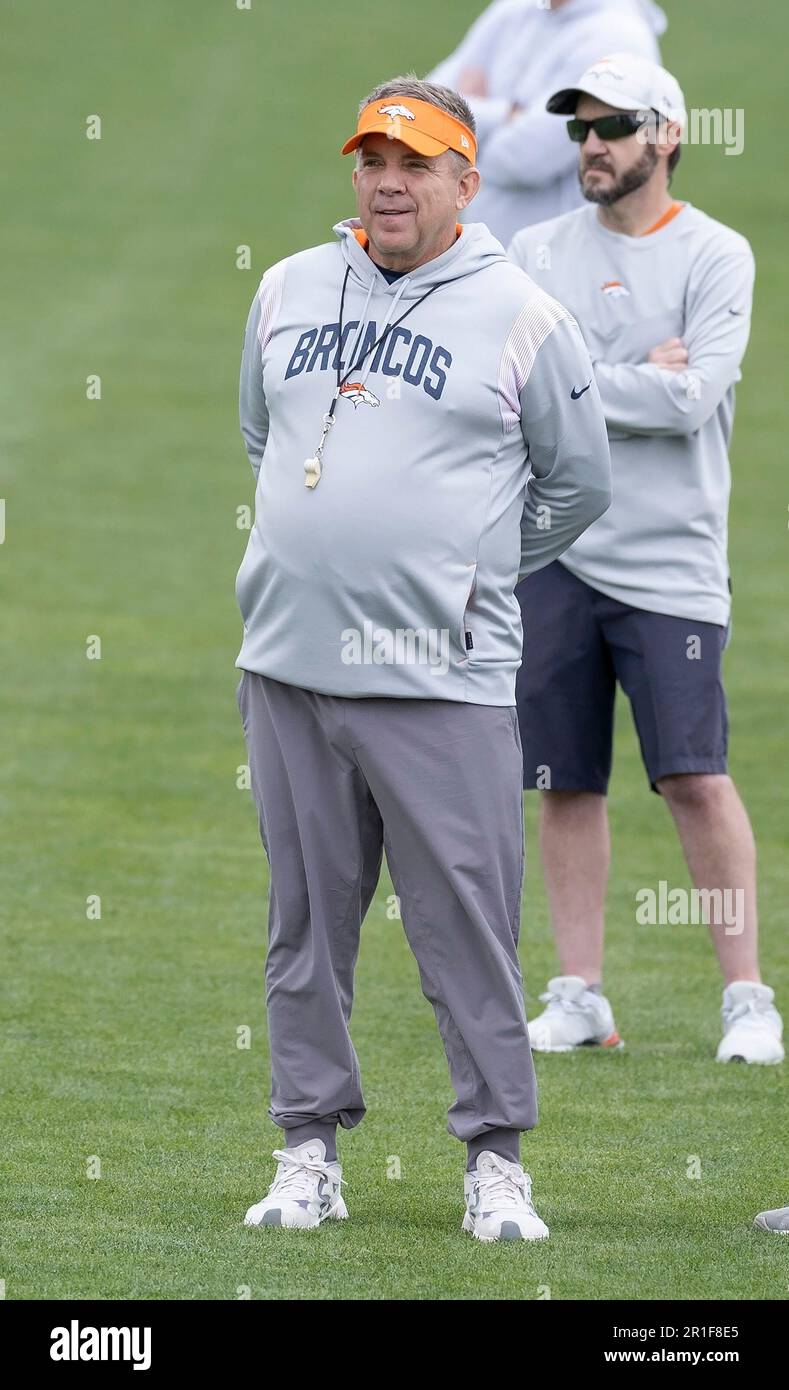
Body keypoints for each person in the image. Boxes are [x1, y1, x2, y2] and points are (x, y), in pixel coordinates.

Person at [234, 76, 611, 1241]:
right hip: (290, 669)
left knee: (468, 933)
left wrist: (467, 572)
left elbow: (579, 483)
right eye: (370, 160)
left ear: (465, 181)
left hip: (438, 677)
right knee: (303, 928)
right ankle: (307, 1153)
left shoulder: (523, 314)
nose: (387, 182)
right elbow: (261, 433)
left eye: (414, 163)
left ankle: (496, 1164)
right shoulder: (288, 286)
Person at [508, 53, 784, 1064]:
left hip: (672, 565)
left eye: (614, 127)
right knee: (564, 779)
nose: (592, 145)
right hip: (557, 554)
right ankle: (579, 993)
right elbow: (526, 390)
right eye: (580, 129)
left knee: (694, 778)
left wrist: (585, 373)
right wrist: (623, 371)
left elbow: (692, 398)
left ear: (666, 135)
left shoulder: (719, 255)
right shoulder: (534, 251)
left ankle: (747, 997)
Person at [428, 0, 665, 244]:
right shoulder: (513, 10)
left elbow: (525, 157)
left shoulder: (617, 36)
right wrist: (505, 115)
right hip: (490, 259)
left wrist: (457, 138)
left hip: (560, 264)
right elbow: (426, 110)